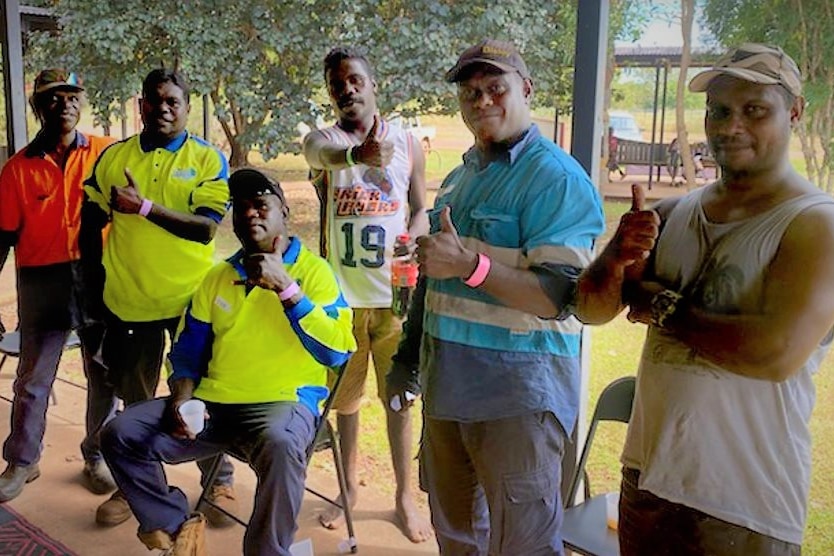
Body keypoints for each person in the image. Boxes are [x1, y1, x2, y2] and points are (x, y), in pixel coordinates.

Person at [388, 39, 658, 554]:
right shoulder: (461, 177)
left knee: (523, 546)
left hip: (518, 401)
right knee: (458, 539)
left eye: (495, 88)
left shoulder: (555, 179)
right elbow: (433, 277)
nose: (482, 100)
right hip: (449, 393)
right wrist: (407, 356)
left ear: (526, 89)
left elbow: (560, 295)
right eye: (470, 92)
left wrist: (470, 265)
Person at [618, 43, 834, 555]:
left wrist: (663, 305)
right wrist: (621, 263)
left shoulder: (815, 224)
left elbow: (773, 353)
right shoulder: (673, 212)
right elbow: (617, 297)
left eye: (753, 109)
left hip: (740, 507)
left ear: (795, 111)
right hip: (646, 483)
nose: (729, 126)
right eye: (718, 110)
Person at [100, 168, 356, 556]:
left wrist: (288, 290)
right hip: (216, 407)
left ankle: (267, 551)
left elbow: (337, 351)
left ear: (284, 211)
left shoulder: (315, 273)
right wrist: (182, 396)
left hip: (282, 404)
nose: (250, 213)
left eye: (261, 204)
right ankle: (175, 525)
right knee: (121, 432)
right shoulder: (217, 277)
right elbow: (188, 350)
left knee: (282, 444)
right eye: (241, 207)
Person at [79, 68, 235, 527]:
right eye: (155, 100)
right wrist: (92, 286)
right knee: (137, 401)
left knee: (197, 395)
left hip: (191, 303)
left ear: (186, 108)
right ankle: (137, 491)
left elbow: (205, 230)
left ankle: (216, 480)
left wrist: (143, 207)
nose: (164, 109)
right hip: (130, 303)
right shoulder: (113, 158)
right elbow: (89, 221)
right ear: (141, 104)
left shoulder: (207, 159)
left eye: (174, 102)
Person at [302, 46, 432, 542]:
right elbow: (321, 156)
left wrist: (413, 236)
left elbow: (421, 207)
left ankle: (404, 497)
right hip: (342, 300)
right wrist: (358, 155)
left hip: (394, 297)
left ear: (373, 85)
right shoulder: (326, 141)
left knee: (399, 397)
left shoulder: (408, 142)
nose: (347, 89)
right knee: (346, 401)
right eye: (337, 84)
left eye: (355, 79)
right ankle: (349, 486)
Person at [0, 69, 116, 502]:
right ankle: (22, 462)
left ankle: (98, 455)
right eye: (53, 98)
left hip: (97, 277)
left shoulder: (105, 155)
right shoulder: (17, 170)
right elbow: (2, 238)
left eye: (72, 96)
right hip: (42, 282)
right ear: (38, 107)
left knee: (103, 372)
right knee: (33, 377)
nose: (65, 104)